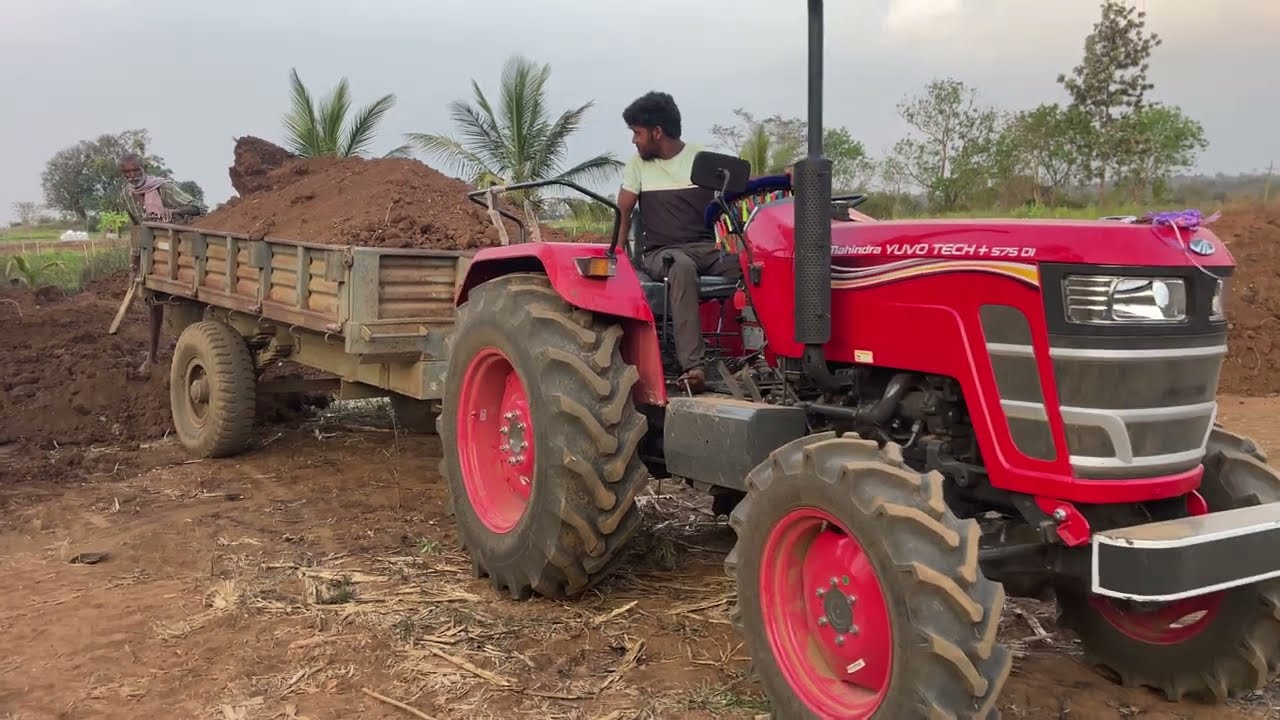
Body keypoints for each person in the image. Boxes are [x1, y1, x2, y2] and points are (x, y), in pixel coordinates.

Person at [617, 91, 741, 393]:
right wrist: (618, 258)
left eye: (637, 133)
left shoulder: (702, 160)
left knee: (752, 265)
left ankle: (770, 356)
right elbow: (623, 213)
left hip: (705, 250)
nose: (634, 140)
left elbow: (738, 194)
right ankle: (694, 367)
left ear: (657, 132)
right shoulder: (637, 165)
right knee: (681, 267)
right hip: (661, 253)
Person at [119, 153, 206, 225]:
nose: (132, 175)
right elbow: (136, 224)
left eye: (136, 170)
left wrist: (174, 212)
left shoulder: (165, 188)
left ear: (144, 169)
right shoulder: (125, 195)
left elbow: (201, 208)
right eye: (127, 172)